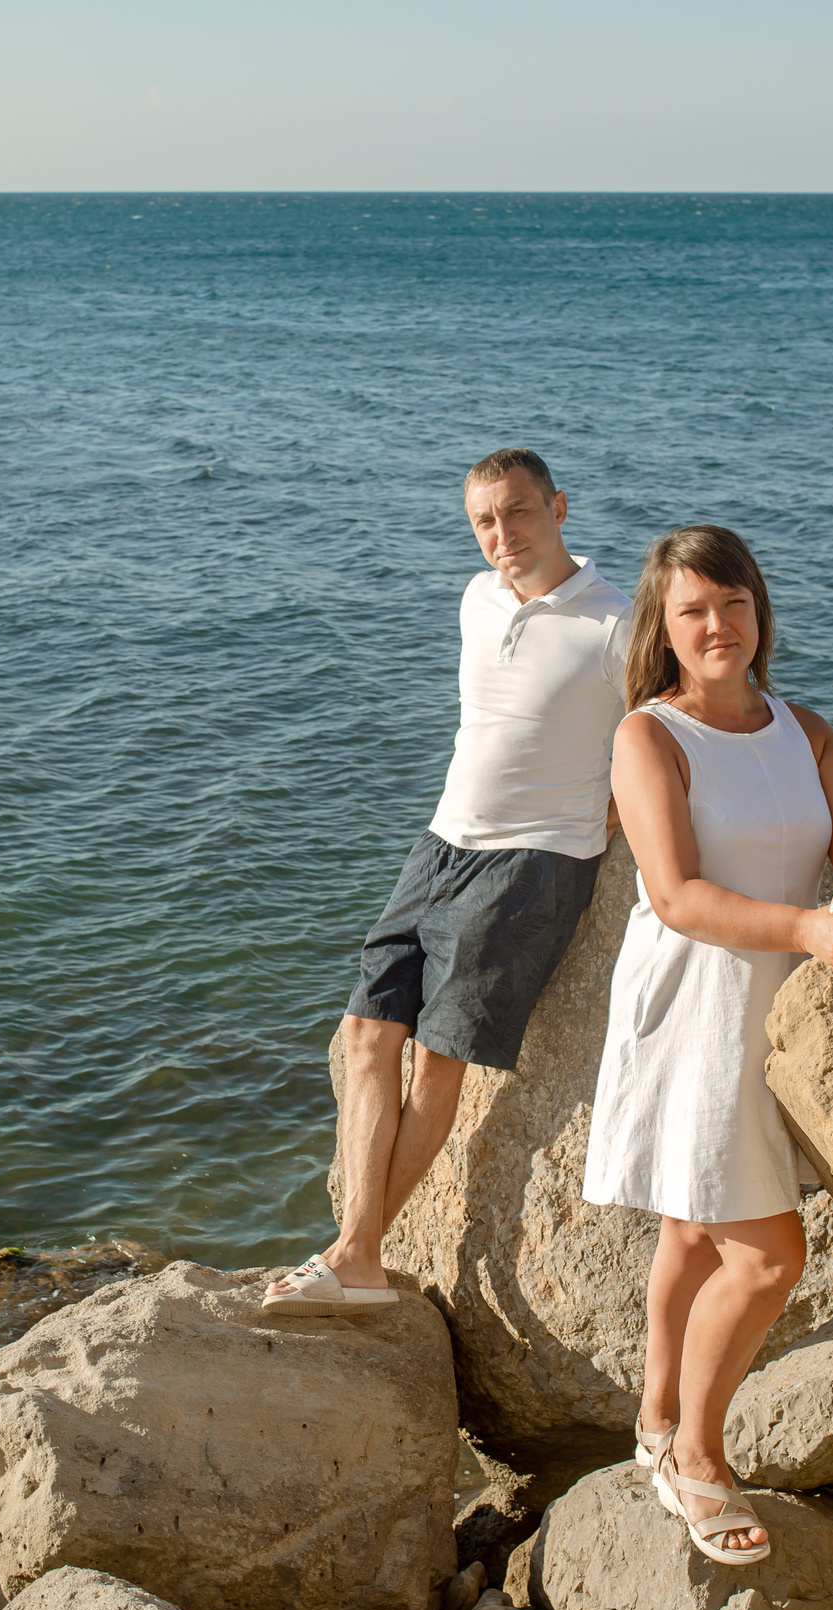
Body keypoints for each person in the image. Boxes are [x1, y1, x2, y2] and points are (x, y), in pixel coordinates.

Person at [582, 524, 833, 1563]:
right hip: (697, 1002)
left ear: (758, 612)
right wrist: (812, 929)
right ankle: (698, 1458)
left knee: (691, 1230)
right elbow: (675, 896)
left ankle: (654, 1417)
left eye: (732, 604)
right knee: (768, 1257)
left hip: (784, 998)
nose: (716, 625)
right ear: (664, 631)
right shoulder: (649, 738)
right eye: (692, 611)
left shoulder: (802, 728)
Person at [264, 448, 632, 1316]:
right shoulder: (476, 597)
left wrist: (605, 821)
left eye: (520, 512)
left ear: (560, 507)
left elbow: (664, 734)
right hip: (439, 846)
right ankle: (353, 1255)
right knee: (364, 1033)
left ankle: (354, 1255)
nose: (503, 535)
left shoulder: (617, 622)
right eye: (485, 521)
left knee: (437, 1057)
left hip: (535, 860)